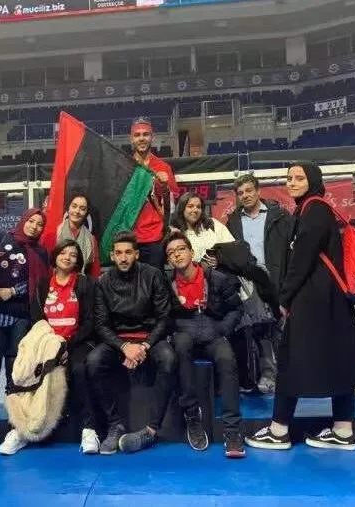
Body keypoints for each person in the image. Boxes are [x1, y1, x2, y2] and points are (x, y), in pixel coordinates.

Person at [245, 162, 355, 452]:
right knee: (339, 360)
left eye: (299, 178)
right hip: (330, 300)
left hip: (314, 300)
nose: (292, 182)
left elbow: (301, 261)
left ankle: (279, 430)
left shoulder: (314, 211)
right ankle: (343, 430)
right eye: (289, 178)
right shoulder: (314, 209)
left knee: (290, 360)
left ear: (312, 180)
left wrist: (284, 299)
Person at [0, 239, 100, 454]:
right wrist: (52, 346)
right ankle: (19, 430)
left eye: (73, 254)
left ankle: (89, 429)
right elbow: (38, 318)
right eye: (63, 253)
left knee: (79, 369)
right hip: (46, 343)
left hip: (76, 342)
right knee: (25, 369)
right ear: (55, 256)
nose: (67, 257)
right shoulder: (44, 284)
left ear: (78, 261)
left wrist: (66, 346)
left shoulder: (85, 284)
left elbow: (90, 322)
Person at [87, 230, 175, 455]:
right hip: (119, 340)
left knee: (168, 358)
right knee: (93, 361)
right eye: (119, 253)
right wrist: (125, 347)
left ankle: (152, 429)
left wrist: (144, 346)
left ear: (137, 254)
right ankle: (115, 424)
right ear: (112, 255)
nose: (123, 257)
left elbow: (164, 318)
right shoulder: (103, 281)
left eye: (128, 252)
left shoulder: (153, 275)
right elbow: (101, 324)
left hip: (149, 338)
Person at [165, 231, 246, 459]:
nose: (177, 255)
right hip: (184, 329)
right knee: (181, 347)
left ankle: (232, 431)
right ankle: (192, 415)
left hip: (213, 329)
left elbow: (236, 309)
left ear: (192, 252)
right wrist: (174, 329)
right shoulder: (166, 283)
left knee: (227, 359)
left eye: (181, 249)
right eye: (171, 252)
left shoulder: (216, 278)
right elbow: (162, 314)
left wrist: (222, 329)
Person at [0, 208, 51, 454]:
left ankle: (12, 397)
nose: (34, 226)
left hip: (23, 312)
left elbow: (40, 283)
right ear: (24, 221)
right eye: (31, 221)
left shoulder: (40, 252)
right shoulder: (1, 239)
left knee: (16, 358)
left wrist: (12, 291)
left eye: (39, 224)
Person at [225, 174, 292, 393]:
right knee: (261, 329)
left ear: (258, 191)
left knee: (282, 328)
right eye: (240, 193)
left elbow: (290, 249)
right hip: (250, 282)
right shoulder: (233, 221)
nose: (245, 195)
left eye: (248, 190)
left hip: (277, 278)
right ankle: (268, 374)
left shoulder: (279, 215)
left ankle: (289, 375)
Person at [128, 117, 178, 269]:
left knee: (155, 280)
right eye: (137, 135)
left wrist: (164, 187)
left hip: (155, 237)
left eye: (146, 134)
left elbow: (172, 206)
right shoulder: (125, 167)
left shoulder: (163, 167)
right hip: (130, 236)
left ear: (152, 137)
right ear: (131, 139)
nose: (141, 138)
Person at [40, 193, 101, 278]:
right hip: (55, 283)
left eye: (82, 209)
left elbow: (95, 271)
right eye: (74, 206)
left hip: (82, 284)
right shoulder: (53, 235)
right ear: (68, 208)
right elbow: (45, 266)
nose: (77, 211)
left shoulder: (91, 240)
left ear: (86, 213)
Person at [170, 192, 235, 267]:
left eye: (198, 207)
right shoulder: (176, 232)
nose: (195, 210)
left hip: (219, 272)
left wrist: (220, 260)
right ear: (182, 209)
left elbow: (232, 248)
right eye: (190, 206)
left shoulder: (212, 224)